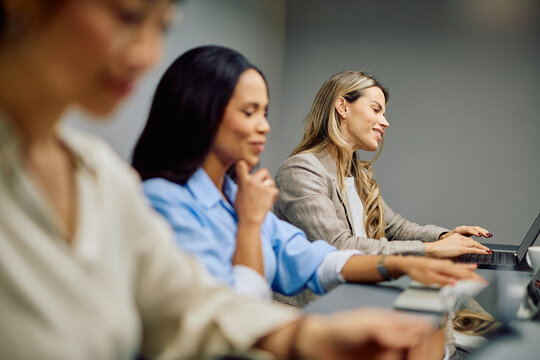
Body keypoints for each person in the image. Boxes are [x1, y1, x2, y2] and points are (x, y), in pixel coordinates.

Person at [0, 1, 448, 359]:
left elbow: (194, 303)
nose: (148, 54)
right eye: (130, 16)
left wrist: (314, 334)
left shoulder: (100, 174)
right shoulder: (166, 195)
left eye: (162, 28)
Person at [132, 45, 485, 310]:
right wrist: (426, 253)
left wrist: (417, 255)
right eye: (249, 111)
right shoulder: (163, 201)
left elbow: (316, 258)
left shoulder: (237, 196)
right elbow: (234, 309)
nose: (265, 126)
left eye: (265, 112)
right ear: (202, 111)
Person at [273, 70, 494, 259]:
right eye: (376, 109)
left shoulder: (357, 176)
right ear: (343, 107)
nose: (385, 122)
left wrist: (446, 237)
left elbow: (396, 229)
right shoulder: (300, 171)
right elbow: (339, 247)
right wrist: (432, 249)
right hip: (317, 306)